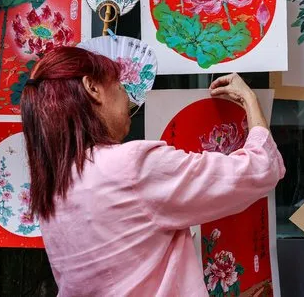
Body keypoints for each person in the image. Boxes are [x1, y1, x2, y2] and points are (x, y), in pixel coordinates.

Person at [20, 46, 285, 297]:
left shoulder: (54, 186)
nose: (128, 97)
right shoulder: (131, 167)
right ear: (92, 88)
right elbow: (260, 169)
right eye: (120, 85)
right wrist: (251, 101)